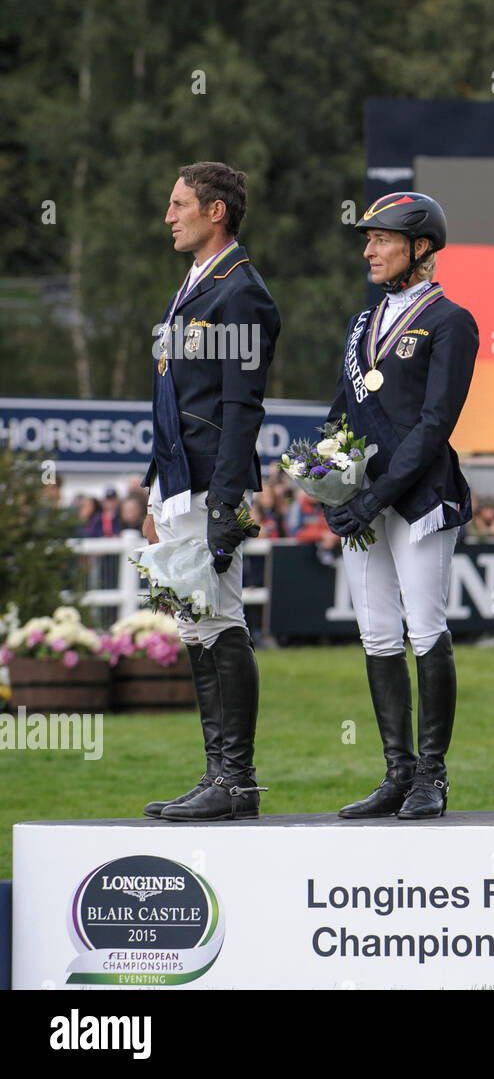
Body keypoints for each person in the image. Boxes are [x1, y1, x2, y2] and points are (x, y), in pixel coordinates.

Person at [323, 192, 478, 820]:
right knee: (378, 633)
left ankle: (432, 778)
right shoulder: (363, 324)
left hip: (419, 499)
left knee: (425, 627)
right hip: (365, 503)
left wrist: (377, 494)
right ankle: (396, 772)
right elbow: (341, 412)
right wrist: (330, 484)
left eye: (381, 239)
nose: (368, 250)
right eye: (368, 239)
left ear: (419, 248)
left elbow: (436, 423)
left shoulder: (452, 320)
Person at [142, 161, 280, 821]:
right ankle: (216, 774)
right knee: (194, 626)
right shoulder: (192, 286)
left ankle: (237, 780)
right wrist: (152, 494)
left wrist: (226, 500)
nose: (169, 216)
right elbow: (172, 397)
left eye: (178, 204)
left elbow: (239, 406)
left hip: (210, 485)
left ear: (215, 211)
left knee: (221, 622)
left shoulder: (240, 292)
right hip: (177, 486)